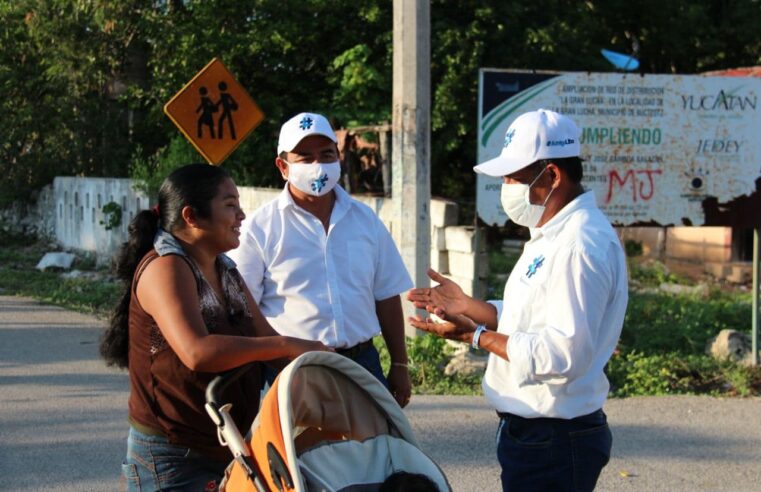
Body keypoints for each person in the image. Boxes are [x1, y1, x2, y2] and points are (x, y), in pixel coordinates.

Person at [407, 109, 628, 491]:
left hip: (556, 439)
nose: (506, 186)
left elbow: (560, 355)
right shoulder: (551, 234)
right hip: (537, 434)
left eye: (514, 177)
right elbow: (531, 316)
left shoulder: (578, 245)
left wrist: (475, 337)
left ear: (552, 175)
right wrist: (469, 307)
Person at [99, 164, 330, 491]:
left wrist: (321, 368)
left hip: (229, 446)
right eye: (230, 205)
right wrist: (284, 346)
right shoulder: (166, 267)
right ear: (192, 216)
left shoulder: (225, 269)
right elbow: (197, 352)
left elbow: (264, 338)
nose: (242, 216)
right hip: (172, 458)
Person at [228, 112, 414, 407]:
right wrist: (274, 363)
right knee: (303, 452)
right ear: (283, 166)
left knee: (371, 451)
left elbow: (387, 295)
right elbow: (243, 309)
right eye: (305, 157)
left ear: (338, 157)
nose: (318, 166)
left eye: (326, 155)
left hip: (362, 362)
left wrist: (400, 364)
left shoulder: (365, 220)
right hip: (291, 367)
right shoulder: (260, 228)